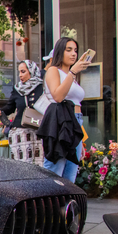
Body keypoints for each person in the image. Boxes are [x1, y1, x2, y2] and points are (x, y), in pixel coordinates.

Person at [37, 37, 91, 183]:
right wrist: (72, 73)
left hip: (75, 123)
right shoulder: (54, 71)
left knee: (71, 172)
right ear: (60, 51)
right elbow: (58, 96)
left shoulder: (71, 76)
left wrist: (81, 139)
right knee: (55, 170)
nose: (73, 54)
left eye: (75, 50)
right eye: (69, 50)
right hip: (61, 123)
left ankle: (67, 205)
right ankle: (50, 204)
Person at [0, 60, 45, 165]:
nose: (20, 75)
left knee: (40, 165)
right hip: (20, 132)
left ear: (31, 71)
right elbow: (10, 107)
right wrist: (0, 111)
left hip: (39, 130)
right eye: (19, 72)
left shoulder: (43, 87)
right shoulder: (18, 89)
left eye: (23, 71)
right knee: (22, 164)